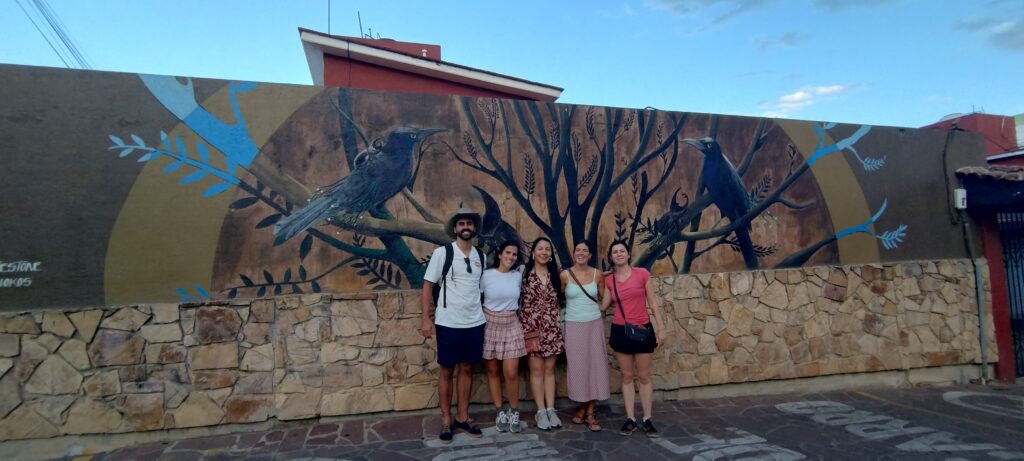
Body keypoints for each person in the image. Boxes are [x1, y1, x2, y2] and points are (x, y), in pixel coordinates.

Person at [421, 208, 486, 443]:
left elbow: (479, 289)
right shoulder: (443, 253)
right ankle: (446, 419)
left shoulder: (481, 255)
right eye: (462, 224)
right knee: (447, 370)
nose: (466, 227)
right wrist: (426, 319)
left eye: (470, 223)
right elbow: (428, 286)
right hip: (448, 322)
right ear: (455, 229)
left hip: (474, 322)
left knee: (467, 369)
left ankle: (463, 416)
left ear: (474, 228)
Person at [599, 239, 666, 438]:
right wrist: (597, 278)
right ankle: (630, 418)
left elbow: (653, 303)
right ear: (611, 257)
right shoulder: (610, 281)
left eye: (622, 251)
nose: (619, 254)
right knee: (627, 376)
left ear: (628, 254)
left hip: (643, 329)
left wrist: (661, 328)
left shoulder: (642, 274)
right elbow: (604, 306)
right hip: (621, 330)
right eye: (614, 252)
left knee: (644, 376)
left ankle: (647, 418)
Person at [560, 240, 610, 432]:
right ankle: (583, 406)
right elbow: (561, 296)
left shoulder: (597, 274)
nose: (581, 253)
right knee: (578, 367)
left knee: (595, 366)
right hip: (573, 325)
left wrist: (602, 307)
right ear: (574, 254)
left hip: (594, 324)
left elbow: (605, 294)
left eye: (585, 251)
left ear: (590, 255)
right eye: (578, 250)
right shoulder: (565, 275)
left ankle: (589, 412)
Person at [518, 236, 564, 430]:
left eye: (547, 249)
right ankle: (540, 411)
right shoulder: (524, 272)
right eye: (540, 249)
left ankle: (551, 409)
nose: (544, 252)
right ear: (533, 252)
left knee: (549, 370)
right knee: (536, 371)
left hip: (552, 328)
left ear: (551, 254)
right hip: (531, 329)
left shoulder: (557, 274)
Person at [480, 240, 527, 433]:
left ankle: (514, 411)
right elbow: (476, 298)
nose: (510, 257)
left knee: (511, 372)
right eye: (507, 253)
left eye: (514, 254)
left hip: (511, 324)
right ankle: (500, 411)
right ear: (500, 254)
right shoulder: (486, 275)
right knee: (492, 370)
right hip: (489, 324)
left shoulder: (518, 276)